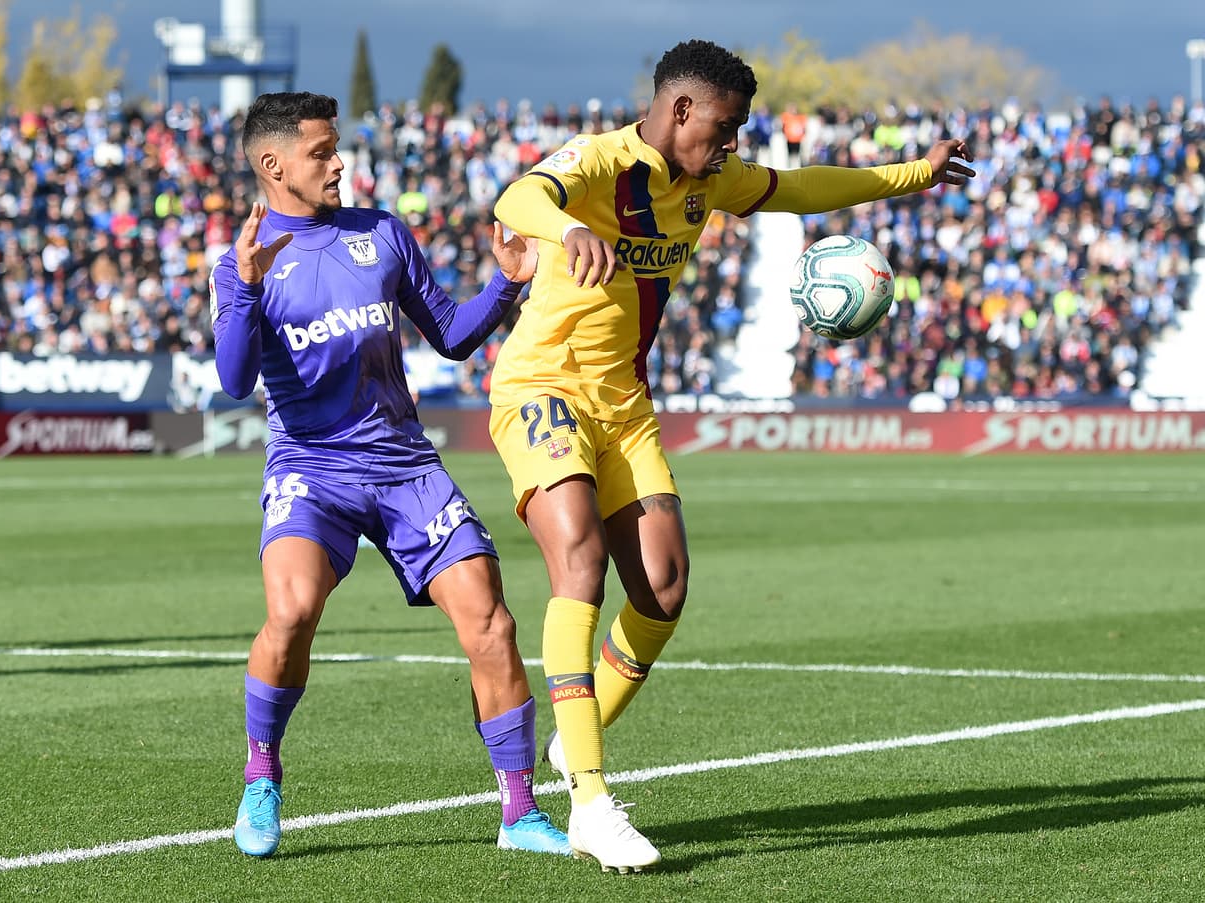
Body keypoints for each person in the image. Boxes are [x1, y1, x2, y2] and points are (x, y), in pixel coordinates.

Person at [489, 39, 974, 872]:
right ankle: (592, 802)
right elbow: (520, 194)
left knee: (665, 588)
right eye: (723, 126)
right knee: (579, 565)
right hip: (543, 387)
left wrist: (913, 174)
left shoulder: (711, 183)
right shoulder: (602, 161)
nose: (731, 144)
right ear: (679, 110)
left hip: (625, 405)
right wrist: (569, 224)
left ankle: (578, 740)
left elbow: (803, 188)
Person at [211, 91, 569, 859]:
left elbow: (449, 335)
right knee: (293, 609)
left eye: (337, 147)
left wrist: (506, 286)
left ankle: (519, 813)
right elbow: (236, 380)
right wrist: (242, 288)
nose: (339, 161)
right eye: (321, 152)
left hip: (405, 464)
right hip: (312, 464)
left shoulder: (382, 233)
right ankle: (262, 774)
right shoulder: (243, 261)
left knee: (492, 622)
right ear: (274, 165)